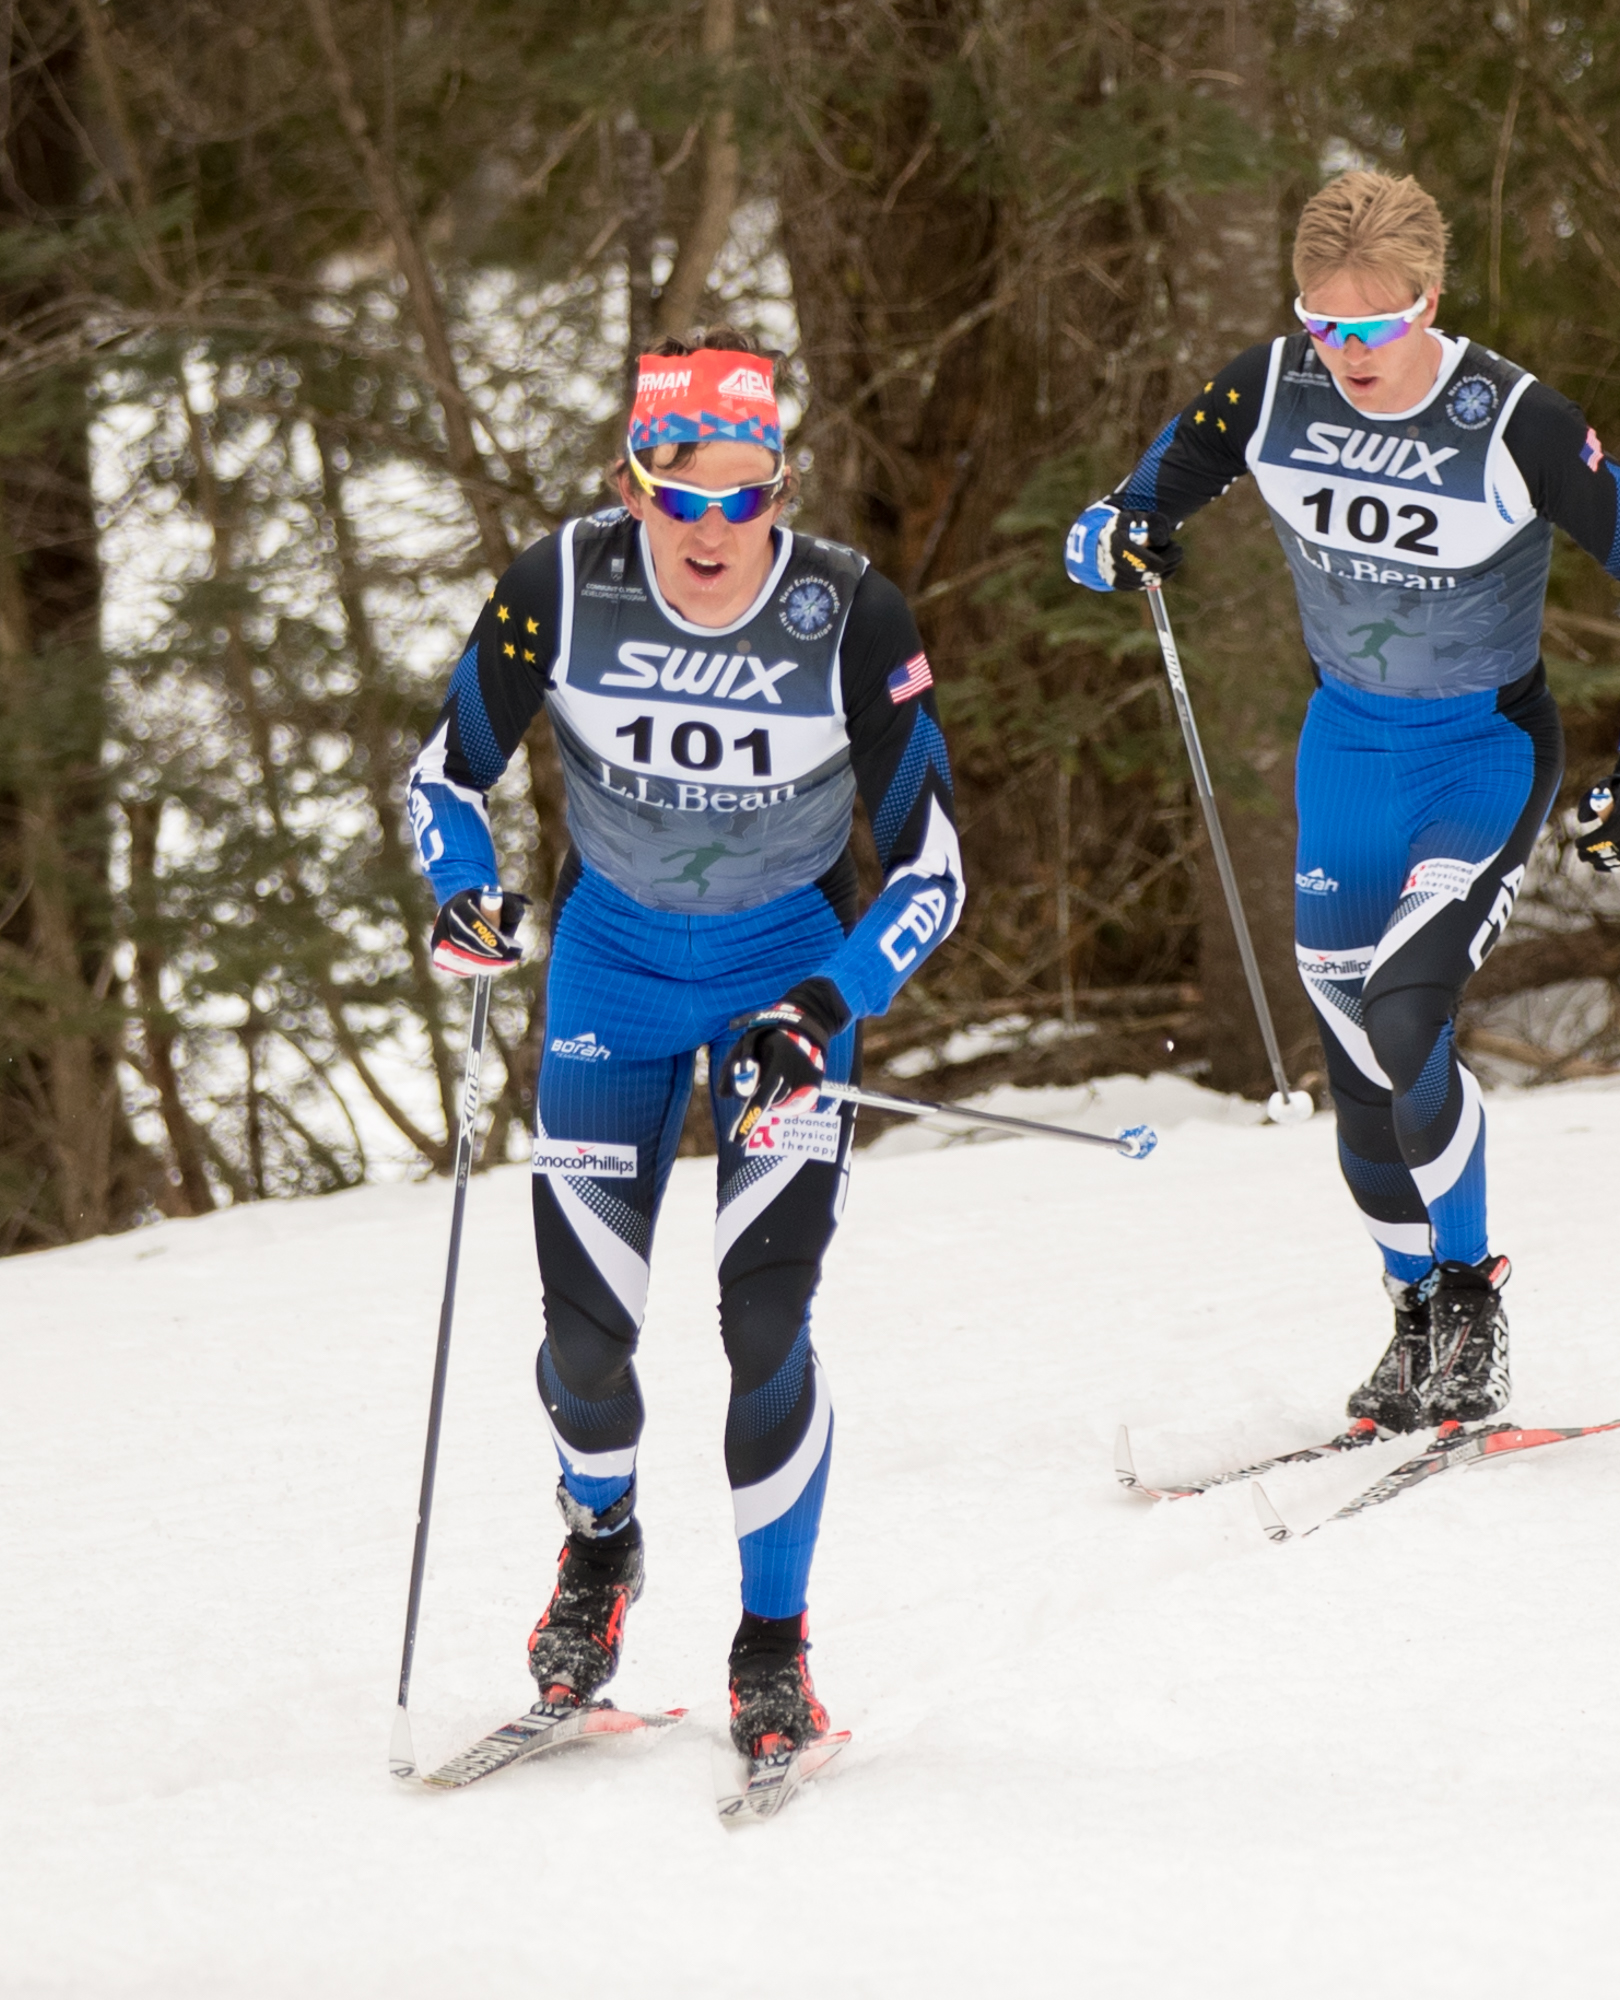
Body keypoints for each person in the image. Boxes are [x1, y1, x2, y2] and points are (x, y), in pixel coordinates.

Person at [1063, 171, 1620, 1428]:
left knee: (1411, 1009)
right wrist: (1114, 539)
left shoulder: (1510, 417)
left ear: (1431, 298)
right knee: (1358, 1055)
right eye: (1325, 326)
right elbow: (1128, 510)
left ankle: (1470, 1299)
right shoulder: (1268, 387)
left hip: (1483, 755)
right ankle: (1410, 1317)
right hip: (1346, 751)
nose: (1349, 353)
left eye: (1377, 324)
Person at [406, 330, 964, 1759]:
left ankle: (771, 1648)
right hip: (613, 974)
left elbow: (929, 870)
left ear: (779, 485)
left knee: (764, 1323)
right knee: (586, 1348)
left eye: (747, 494)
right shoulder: (563, 587)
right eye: (684, 493)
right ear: (634, 482)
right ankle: (600, 1549)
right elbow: (445, 775)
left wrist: (824, 1010)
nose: (716, 529)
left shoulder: (848, 613)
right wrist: (461, 893)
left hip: (784, 979)